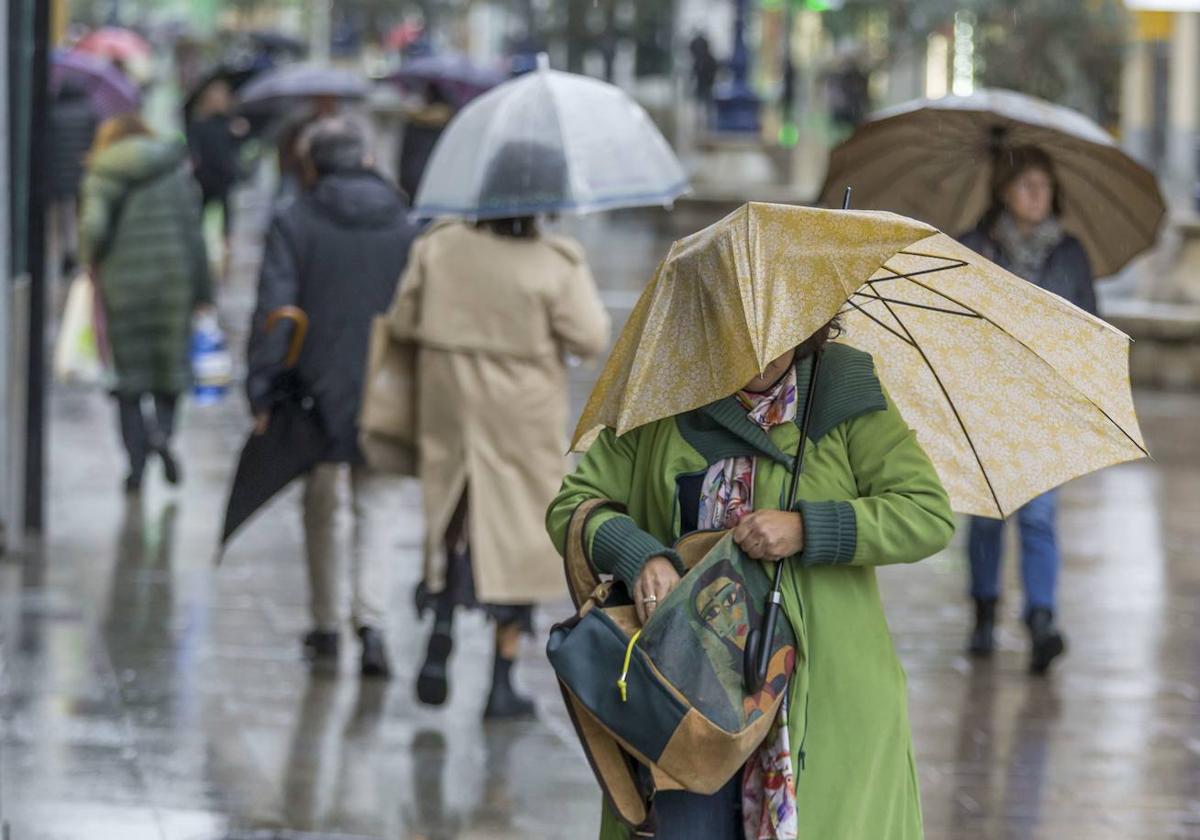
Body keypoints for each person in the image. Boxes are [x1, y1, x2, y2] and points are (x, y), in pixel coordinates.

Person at [547, 326, 955, 838]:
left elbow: (926, 514)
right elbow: (574, 507)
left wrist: (809, 527)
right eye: (740, 331)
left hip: (823, 696)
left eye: (777, 329)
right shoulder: (662, 395)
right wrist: (641, 556)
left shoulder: (842, 389)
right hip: (684, 701)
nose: (759, 350)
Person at [386, 141, 610, 719]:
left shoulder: (439, 246)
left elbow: (404, 319)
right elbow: (589, 337)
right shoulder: (554, 263)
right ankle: (500, 680)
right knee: (516, 536)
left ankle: (439, 625)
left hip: (450, 404)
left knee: (452, 517)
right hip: (522, 412)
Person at [247, 116, 420, 679]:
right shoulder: (406, 224)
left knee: (322, 508)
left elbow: (275, 309)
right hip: (387, 388)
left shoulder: (294, 220)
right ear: (368, 159)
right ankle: (371, 626)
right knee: (379, 507)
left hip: (312, 390)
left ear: (312, 164)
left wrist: (264, 385)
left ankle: (325, 625)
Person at [960, 145, 1094, 674]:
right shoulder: (975, 247)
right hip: (987, 403)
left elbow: (1092, 328)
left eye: (1044, 185)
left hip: (1046, 404)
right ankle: (984, 612)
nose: (1037, 195)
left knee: (1039, 517)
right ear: (1004, 191)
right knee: (989, 518)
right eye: (1025, 185)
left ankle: (1041, 620)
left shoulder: (1070, 253)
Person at [78, 114, 212, 495]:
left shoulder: (103, 172)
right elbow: (194, 236)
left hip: (124, 285)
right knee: (170, 372)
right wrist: (204, 294)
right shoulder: (175, 170)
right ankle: (162, 435)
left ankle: (135, 467)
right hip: (174, 282)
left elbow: (93, 228)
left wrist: (89, 260)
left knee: (129, 381)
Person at [185, 79, 247, 238]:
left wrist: (240, 132)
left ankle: (226, 244)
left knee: (227, 217)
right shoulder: (198, 124)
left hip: (224, 175)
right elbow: (192, 145)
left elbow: (237, 146)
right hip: (205, 176)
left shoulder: (230, 123)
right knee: (200, 214)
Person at [49, 81, 98, 278]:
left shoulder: (54, 113)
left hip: (60, 174)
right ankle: (79, 253)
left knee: (65, 214)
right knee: (82, 214)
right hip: (83, 171)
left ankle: (67, 252)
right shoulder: (89, 113)